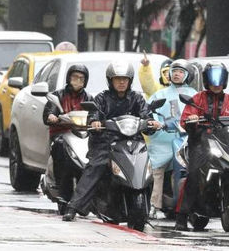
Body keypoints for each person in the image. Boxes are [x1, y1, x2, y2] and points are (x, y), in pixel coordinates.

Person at [63, 61, 162, 221]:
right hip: (105, 142)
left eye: (125, 79)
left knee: (147, 168)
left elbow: (146, 115)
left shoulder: (137, 98)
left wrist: (151, 122)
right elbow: (94, 113)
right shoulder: (102, 98)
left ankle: (147, 207)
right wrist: (94, 121)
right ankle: (73, 207)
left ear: (130, 80)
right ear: (111, 80)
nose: (121, 82)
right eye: (117, 79)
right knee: (95, 167)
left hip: (133, 141)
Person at [175, 61, 229, 231]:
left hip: (224, 142)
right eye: (213, 79)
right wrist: (192, 120)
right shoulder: (198, 98)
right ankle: (181, 216)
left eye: (220, 79)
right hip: (200, 143)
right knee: (193, 175)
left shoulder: (228, 100)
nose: (216, 83)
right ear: (206, 80)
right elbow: (186, 118)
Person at [146, 59, 197, 219]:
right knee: (157, 171)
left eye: (181, 72)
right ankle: (154, 205)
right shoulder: (160, 94)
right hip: (163, 139)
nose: (176, 74)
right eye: (174, 71)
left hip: (188, 139)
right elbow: (150, 111)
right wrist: (157, 123)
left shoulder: (195, 95)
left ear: (187, 75)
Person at [42, 64, 93, 213]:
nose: (78, 80)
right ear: (69, 78)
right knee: (59, 149)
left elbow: (96, 113)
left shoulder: (89, 98)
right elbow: (49, 112)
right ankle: (62, 192)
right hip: (62, 134)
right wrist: (53, 116)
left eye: (81, 78)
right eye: (75, 77)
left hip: (82, 135)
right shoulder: (57, 96)